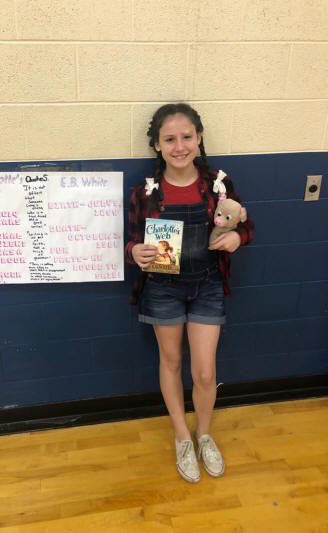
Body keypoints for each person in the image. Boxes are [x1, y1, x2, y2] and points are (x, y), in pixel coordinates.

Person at [125, 103, 254, 483]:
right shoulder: (145, 192)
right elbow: (131, 241)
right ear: (157, 144)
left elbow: (246, 225)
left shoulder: (218, 184)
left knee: (204, 371)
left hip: (208, 284)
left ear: (198, 139)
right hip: (161, 288)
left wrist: (238, 237)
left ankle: (204, 434)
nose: (179, 146)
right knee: (170, 361)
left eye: (186, 137)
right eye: (169, 139)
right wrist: (134, 251)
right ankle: (182, 436)